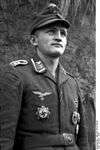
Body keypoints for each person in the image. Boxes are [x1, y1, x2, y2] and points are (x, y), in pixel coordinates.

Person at [0, 3, 90, 150]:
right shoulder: (17, 76)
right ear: (34, 40)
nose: (58, 37)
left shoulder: (72, 82)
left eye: (63, 33)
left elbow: (83, 139)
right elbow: (4, 138)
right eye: (51, 32)